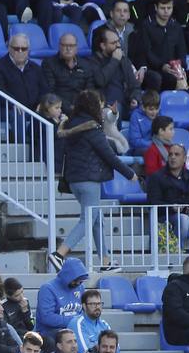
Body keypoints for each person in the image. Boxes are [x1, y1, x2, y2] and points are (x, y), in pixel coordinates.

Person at [52, 90, 135, 273]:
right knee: (88, 219)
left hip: (74, 180)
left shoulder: (69, 124)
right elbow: (108, 154)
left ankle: (105, 261)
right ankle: (59, 254)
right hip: (89, 179)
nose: (101, 106)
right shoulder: (92, 126)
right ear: (91, 106)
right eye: (98, 103)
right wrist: (129, 173)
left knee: (97, 218)